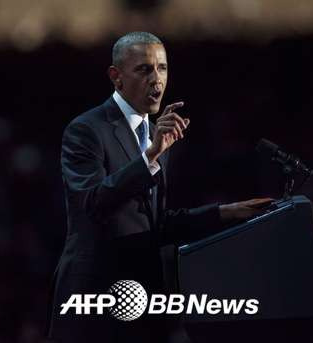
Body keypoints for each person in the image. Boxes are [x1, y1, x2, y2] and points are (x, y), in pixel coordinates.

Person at [46, 31, 272, 343]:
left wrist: (225, 213)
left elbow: (155, 224)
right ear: (116, 76)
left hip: (141, 299)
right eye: (144, 69)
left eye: (162, 68)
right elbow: (92, 203)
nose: (156, 80)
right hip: (93, 298)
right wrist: (150, 155)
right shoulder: (87, 130)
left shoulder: (154, 135)